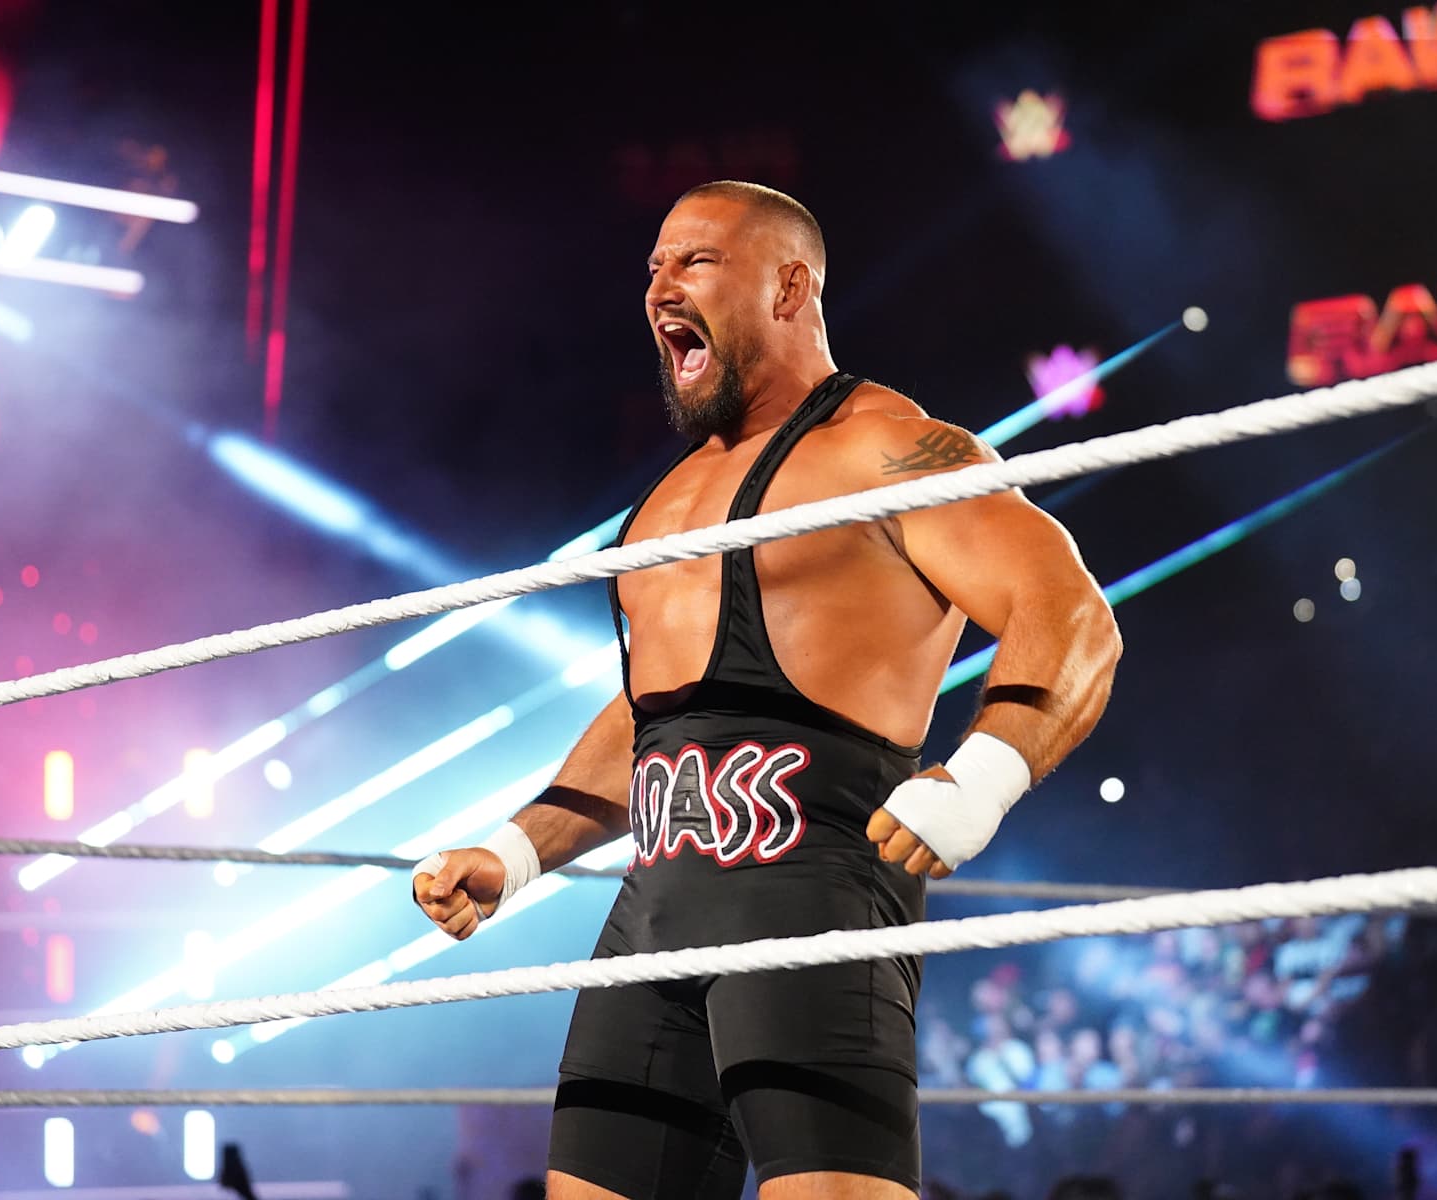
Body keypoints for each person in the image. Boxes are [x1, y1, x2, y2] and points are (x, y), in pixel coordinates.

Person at [413, 181, 1121, 1199]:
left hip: (811, 898)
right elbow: (659, 709)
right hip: (647, 919)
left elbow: (1070, 612)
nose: (660, 284)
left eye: (693, 260)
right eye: (652, 266)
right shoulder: (664, 502)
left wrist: (982, 778)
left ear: (790, 286)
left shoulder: (891, 449)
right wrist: (519, 852)